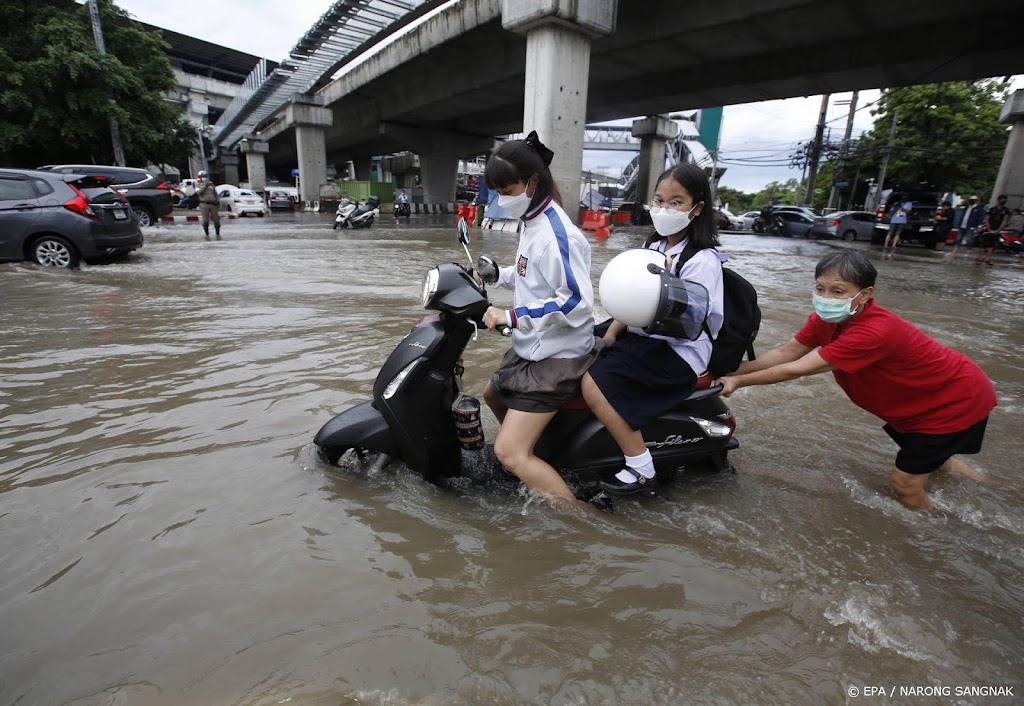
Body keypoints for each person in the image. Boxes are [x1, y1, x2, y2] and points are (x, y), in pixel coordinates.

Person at [718, 250, 996, 511]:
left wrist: (739, 383)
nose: (826, 297)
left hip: (954, 400)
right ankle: (988, 493)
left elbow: (798, 368)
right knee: (938, 463)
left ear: (865, 294)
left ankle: (943, 534)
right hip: (923, 400)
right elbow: (786, 353)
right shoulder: (827, 319)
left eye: (838, 291)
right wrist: (730, 371)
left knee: (905, 485)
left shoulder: (874, 331)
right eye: (820, 289)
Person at [581, 163, 725, 495]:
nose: (664, 209)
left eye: (676, 202)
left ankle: (641, 467)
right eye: (659, 201)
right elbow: (629, 301)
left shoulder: (703, 261)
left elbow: (690, 322)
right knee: (578, 343)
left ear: (697, 208)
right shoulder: (655, 247)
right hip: (644, 333)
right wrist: (611, 332)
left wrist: (669, 288)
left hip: (680, 350)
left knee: (595, 382)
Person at [479, 131, 601, 506]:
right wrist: (496, 275)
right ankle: (540, 460)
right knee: (491, 394)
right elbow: (532, 274)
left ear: (532, 182)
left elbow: (576, 302)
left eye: (507, 189)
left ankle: (580, 519)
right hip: (534, 345)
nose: (501, 199)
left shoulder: (557, 233)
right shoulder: (532, 221)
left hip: (558, 356)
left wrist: (513, 316)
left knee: (508, 453)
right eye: (496, 190)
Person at [946, 195, 985, 260]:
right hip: (962, 225)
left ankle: (967, 253)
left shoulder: (978, 209)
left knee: (969, 240)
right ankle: (954, 252)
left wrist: (978, 226)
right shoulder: (967, 207)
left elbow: (980, 218)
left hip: (971, 227)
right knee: (958, 239)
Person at [978, 194, 1010, 266]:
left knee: (991, 245)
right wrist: (989, 228)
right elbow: (986, 219)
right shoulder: (992, 209)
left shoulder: (1005, 210)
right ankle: (982, 257)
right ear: (998, 200)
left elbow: (1005, 220)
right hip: (988, 228)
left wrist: (998, 230)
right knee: (982, 243)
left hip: (997, 229)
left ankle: (988, 258)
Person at [196, 172, 220, 239]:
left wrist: (218, 201)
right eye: (202, 176)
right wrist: (205, 186)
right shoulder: (198, 184)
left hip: (213, 204)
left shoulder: (211, 184)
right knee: (205, 220)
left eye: (205, 176)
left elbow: (215, 193)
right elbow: (198, 192)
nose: (204, 178)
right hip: (204, 204)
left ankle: (217, 234)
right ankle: (207, 234)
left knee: (216, 220)